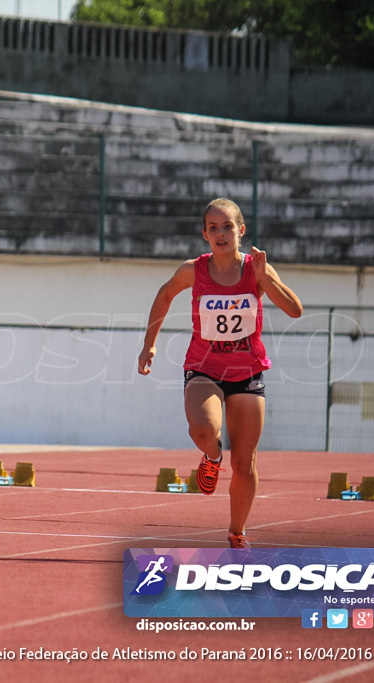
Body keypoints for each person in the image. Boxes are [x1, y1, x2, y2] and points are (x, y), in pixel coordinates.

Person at [137, 198, 302, 549]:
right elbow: (164, 296)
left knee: (245, 463)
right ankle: (212, 457)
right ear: (205, 235)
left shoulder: (254, 268)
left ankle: (237, 531)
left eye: (227, 226)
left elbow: (295, 310)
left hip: (247, 372)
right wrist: (149, 344)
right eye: (213, 228)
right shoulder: (192, 270)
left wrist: (264, 279)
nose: (220, 233)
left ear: (240, 231)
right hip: (204, 368)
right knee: (202, 429)